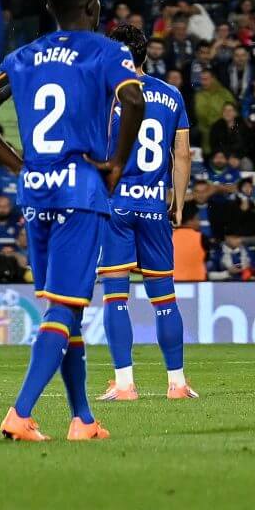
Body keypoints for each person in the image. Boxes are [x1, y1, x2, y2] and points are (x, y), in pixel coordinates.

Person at [0, 0, 146, 442]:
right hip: (79, 189)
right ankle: (19, 413)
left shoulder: (23, 55)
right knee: (65, 309)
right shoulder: (106, 50)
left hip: (36, 189)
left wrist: (18, 163)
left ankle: (82, 419)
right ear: (90, 8)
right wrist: (117, 163)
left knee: (67, 310)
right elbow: (133, 97)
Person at [92, 28, 196, 402]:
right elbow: (182, 154)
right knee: (164, 298)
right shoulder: (171, 95)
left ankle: (124, 385)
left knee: (116, 297)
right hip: (154, 204)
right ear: (145, 56)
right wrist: (179, 202)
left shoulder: (105, 93)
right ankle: (177, 384)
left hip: (115, 203)